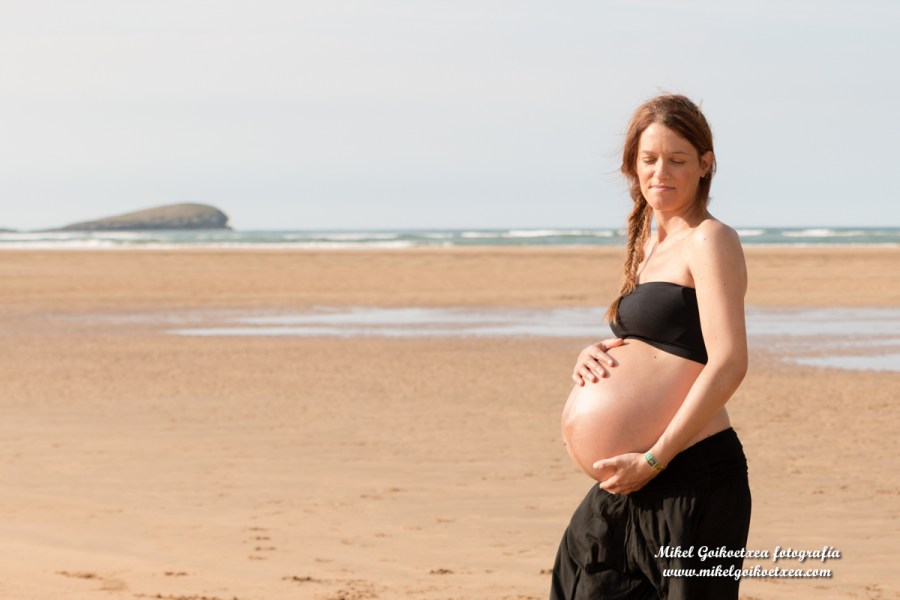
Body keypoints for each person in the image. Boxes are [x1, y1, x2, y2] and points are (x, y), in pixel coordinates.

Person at [551, 94, 752, 599]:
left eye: (678, 159)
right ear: (632, 166)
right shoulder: (650, 243)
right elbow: (662, 343)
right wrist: (596, 352)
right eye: (649, 159)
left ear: (706, 165)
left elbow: (728, 361)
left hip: (689, 475)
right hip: (631, 481)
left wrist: (655, 460)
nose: (660, 171)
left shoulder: (711, 239)